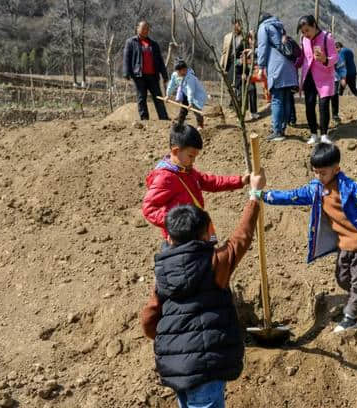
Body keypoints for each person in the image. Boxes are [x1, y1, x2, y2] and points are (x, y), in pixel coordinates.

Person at [140, 168, 266, 408]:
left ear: (171, 237)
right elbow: (241, 238)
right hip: (206, 364)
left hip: (173, 363)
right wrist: (255, 195)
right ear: (206, 232)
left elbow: (149, 317)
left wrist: (164, 337)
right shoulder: (215, 263)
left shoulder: (163, 270)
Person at [263, 144, 357, 332]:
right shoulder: (317, 190)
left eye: (322, 173)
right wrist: (265, 196)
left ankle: (351, 316)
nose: (318, 177)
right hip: (344, 245)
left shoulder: (354, 191)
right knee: (342, 278)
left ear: (336, 169)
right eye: (315, 172)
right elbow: (293, 196)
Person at [142, 123, 250, 242]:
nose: (193, 161)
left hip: (197, 229)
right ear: (176, 151)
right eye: (191, 156)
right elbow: (149, 208)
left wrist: (240, 181)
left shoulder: (186, 170)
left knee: (208, 253)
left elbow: (210, 182)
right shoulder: (165, 178)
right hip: (183, 237)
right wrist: (176, 224)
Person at [296, 15, 338, 145]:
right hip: (308, 76)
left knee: (323, 105)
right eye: (303, 32)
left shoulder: (327, 38)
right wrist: (294, 64)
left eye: (307, 30)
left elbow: (335, 57)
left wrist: (325, 60)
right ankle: (314, 134)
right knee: (309, 105)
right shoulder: (304, 40)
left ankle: (324, 134)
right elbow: (303, 56)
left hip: (324, 77)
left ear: (314, 25)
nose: (305, 34)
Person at [257, 12, 299, 142]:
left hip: (277, 67)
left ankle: (277, 131)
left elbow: (263, 47)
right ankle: (282, 128)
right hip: (289, 67)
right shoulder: (279, 28)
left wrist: (261, 66)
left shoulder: (264, 27)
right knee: (286, 98)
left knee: (276, 99)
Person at [123, 21, 169, 121]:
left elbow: (160, 60)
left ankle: (164, 118)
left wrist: (164, 75)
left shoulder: (154, 44)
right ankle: (144, 119)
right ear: (137, 28)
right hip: (139, 75)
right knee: (141, 98)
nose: (145, 30)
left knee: (158, 97)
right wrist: (126, 72)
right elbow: (126, 58)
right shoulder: (131, 42)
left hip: (153, 75)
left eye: (147, 29)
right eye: (143, 28)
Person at [166, 60, 207, 130]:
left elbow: (190, 90)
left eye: (180, 71)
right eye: (177, 71)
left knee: (196, 110)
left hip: (195, 95)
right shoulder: (175, 75)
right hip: (185, 94)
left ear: (184, 70)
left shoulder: (190, 77)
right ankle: (179, 125)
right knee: (183, 110)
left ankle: (200, 125)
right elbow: (171, 85)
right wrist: (168, 95)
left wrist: (190, 102)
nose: (178, 73)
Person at [220, 19, 245, 104]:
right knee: (230, 83)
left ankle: (237, 103)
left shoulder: (244, 37)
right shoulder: (227, 37)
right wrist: (221, 64)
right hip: (229, 63)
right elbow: (224, 52)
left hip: (239, 63)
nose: (237, 27)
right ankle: (233, 102)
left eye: (239, 25)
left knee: (238, 84)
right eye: (236, 25)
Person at [331, 47, 348, 124]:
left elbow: (341, 66)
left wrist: (343, 77)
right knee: (324, 100)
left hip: (334, 79)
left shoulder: (335, 54)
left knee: (334, 96)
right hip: (321, 80)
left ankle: (335, 115)